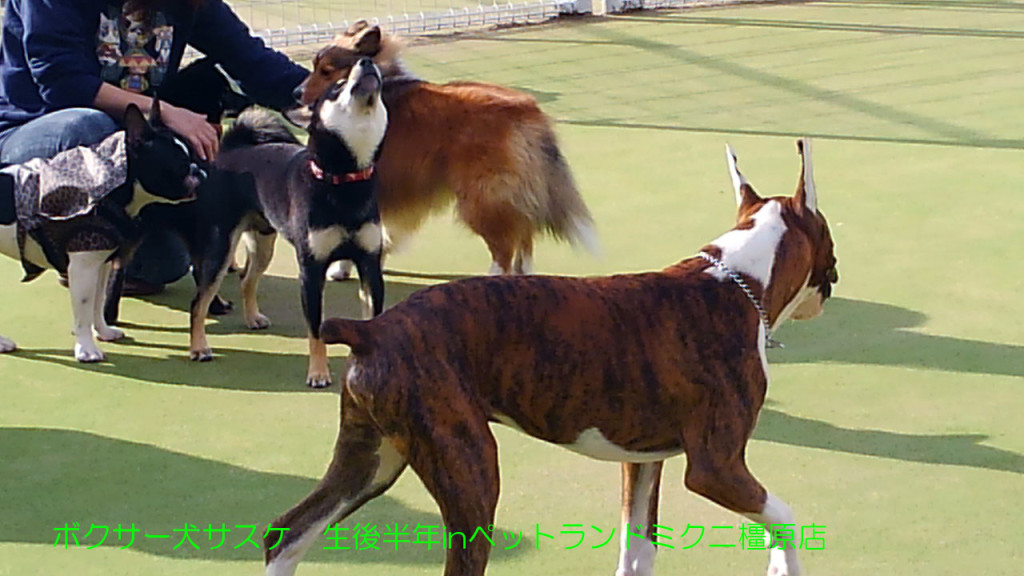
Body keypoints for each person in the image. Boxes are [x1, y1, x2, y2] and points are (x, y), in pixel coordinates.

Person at [0, 0, 308, 293]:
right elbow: (62, 83)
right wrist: (166, 113)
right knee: (92, 128)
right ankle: (67, 245)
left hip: (132, 156)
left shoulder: (188, 4)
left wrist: (336, 93)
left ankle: (105, 253)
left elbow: (253, 62)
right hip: (34, 136)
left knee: (164, 264)